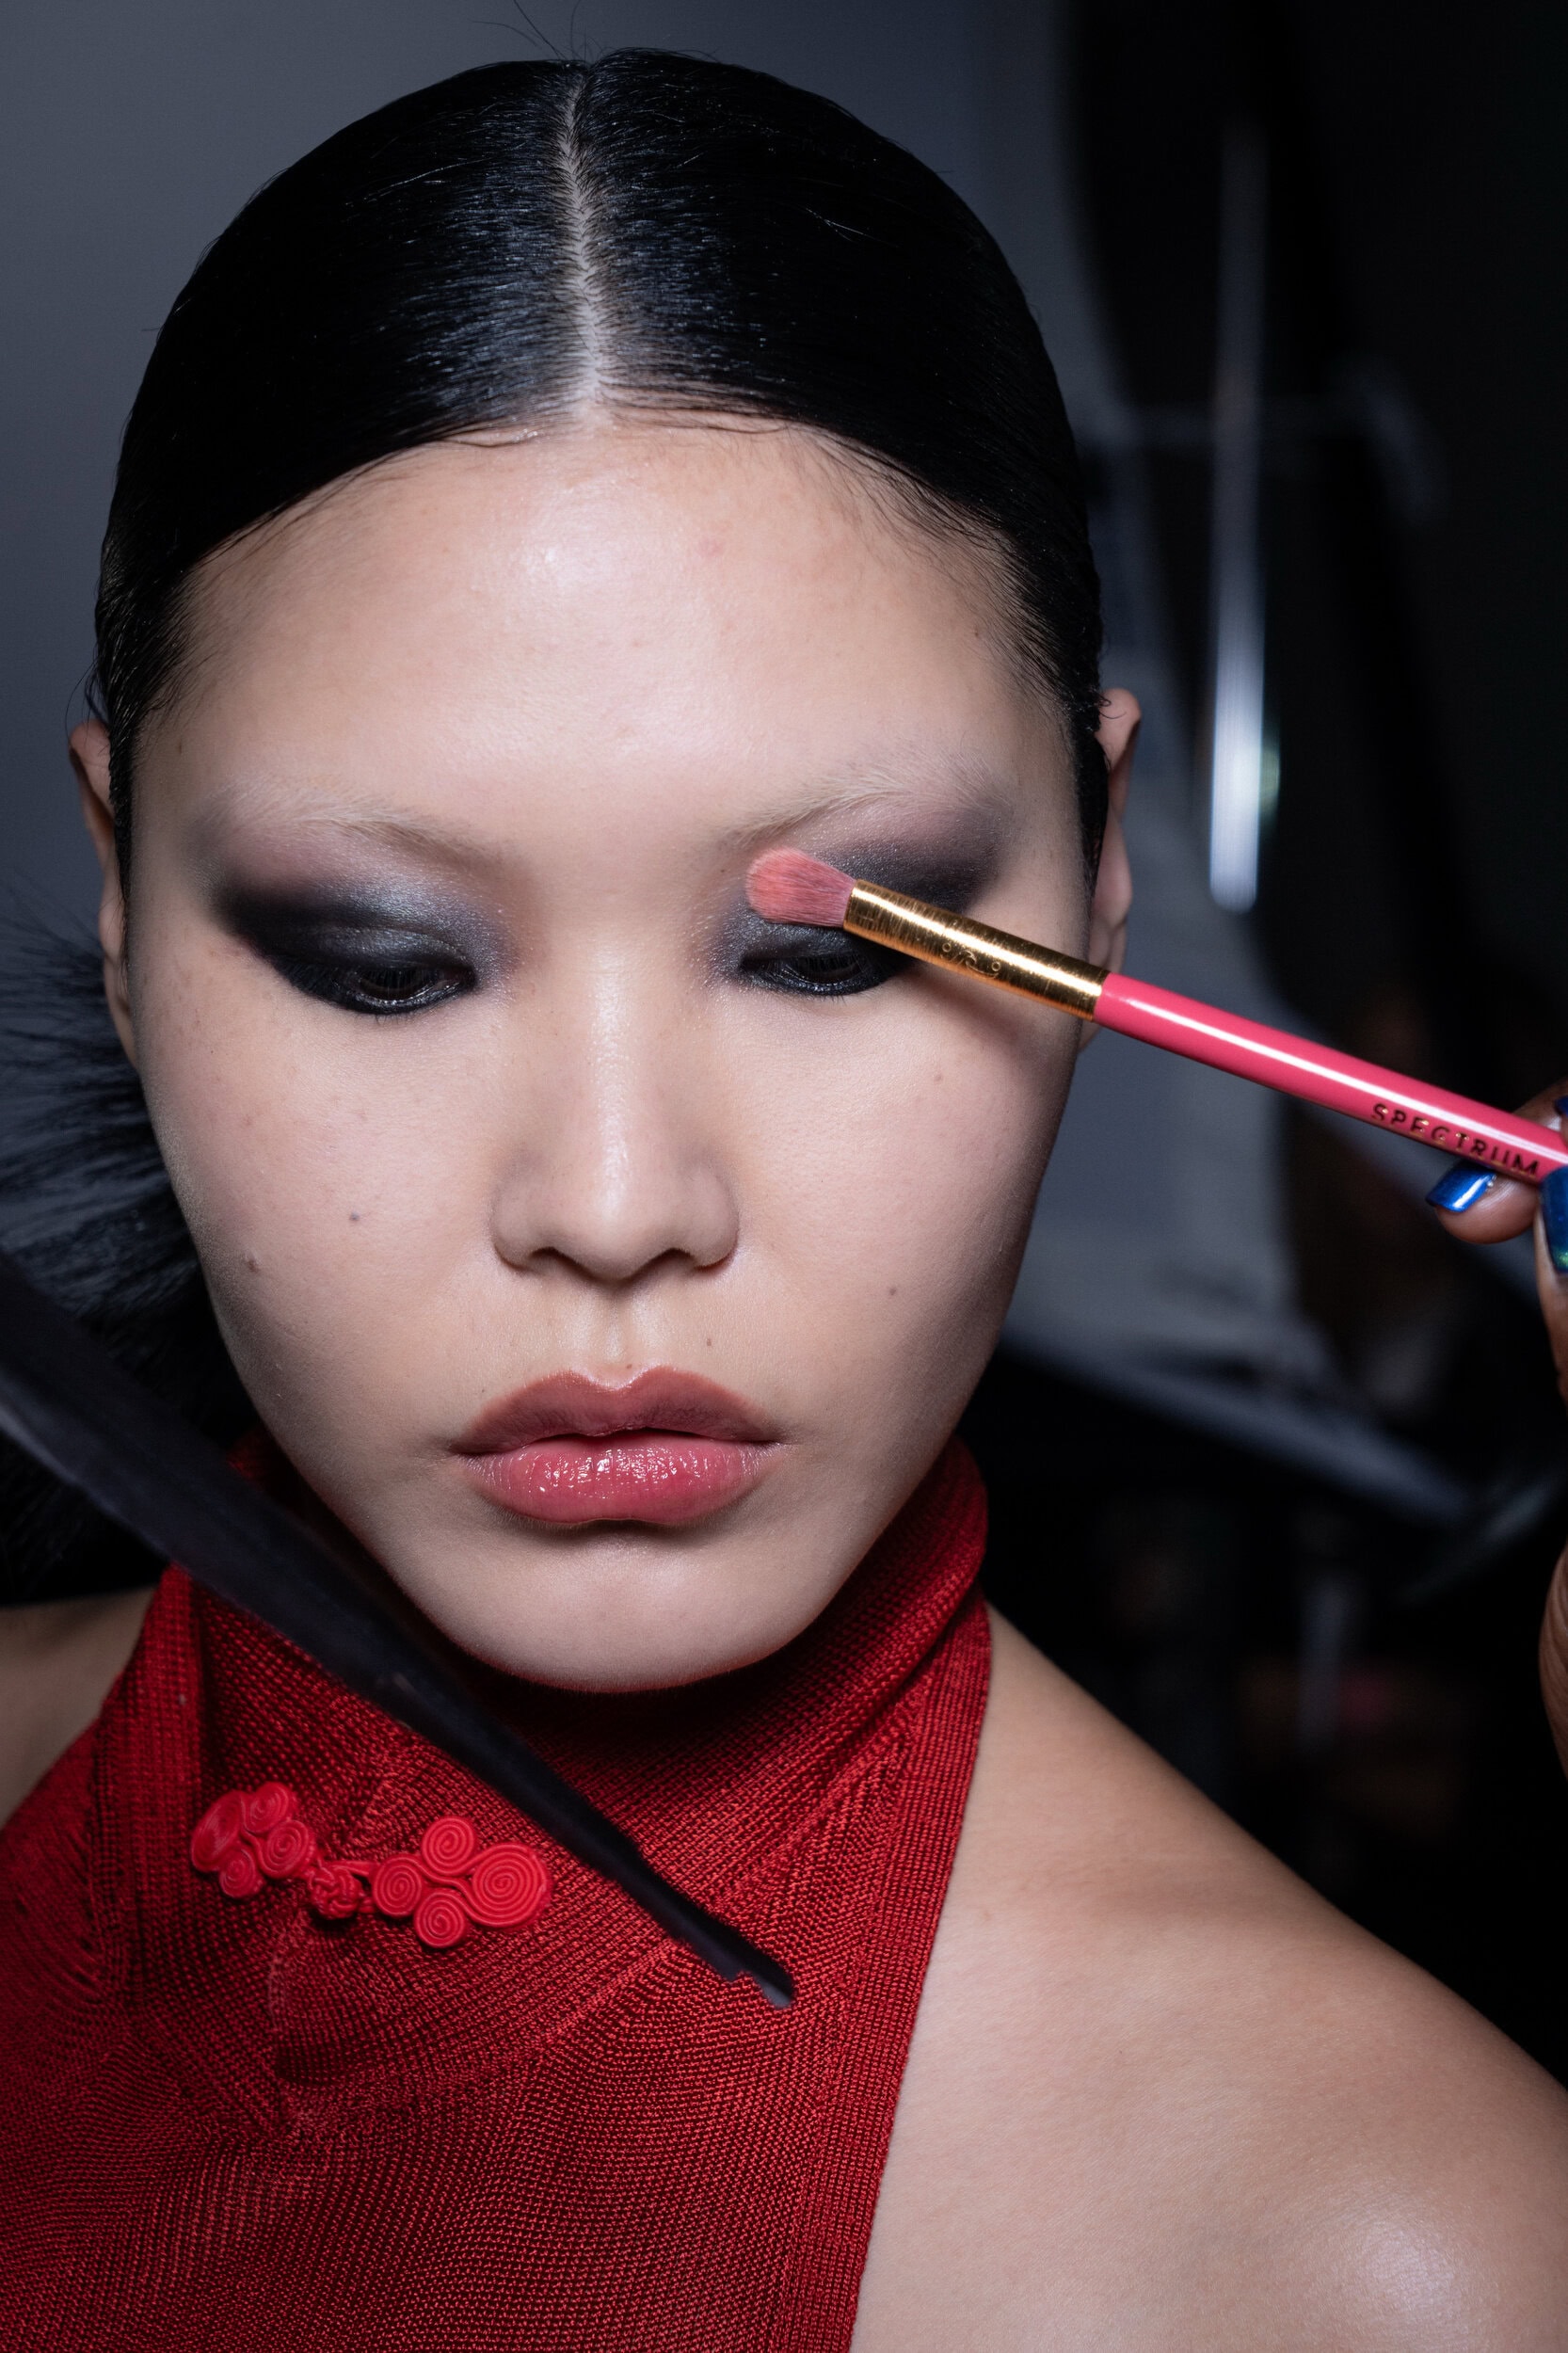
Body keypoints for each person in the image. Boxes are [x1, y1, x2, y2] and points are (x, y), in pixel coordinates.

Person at [1, 51, 1566, 2351]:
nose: (614, 1205)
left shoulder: (1391, 2259)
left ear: (1098, 878)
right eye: (383, 957)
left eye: (830, 952)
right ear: (126, 915)